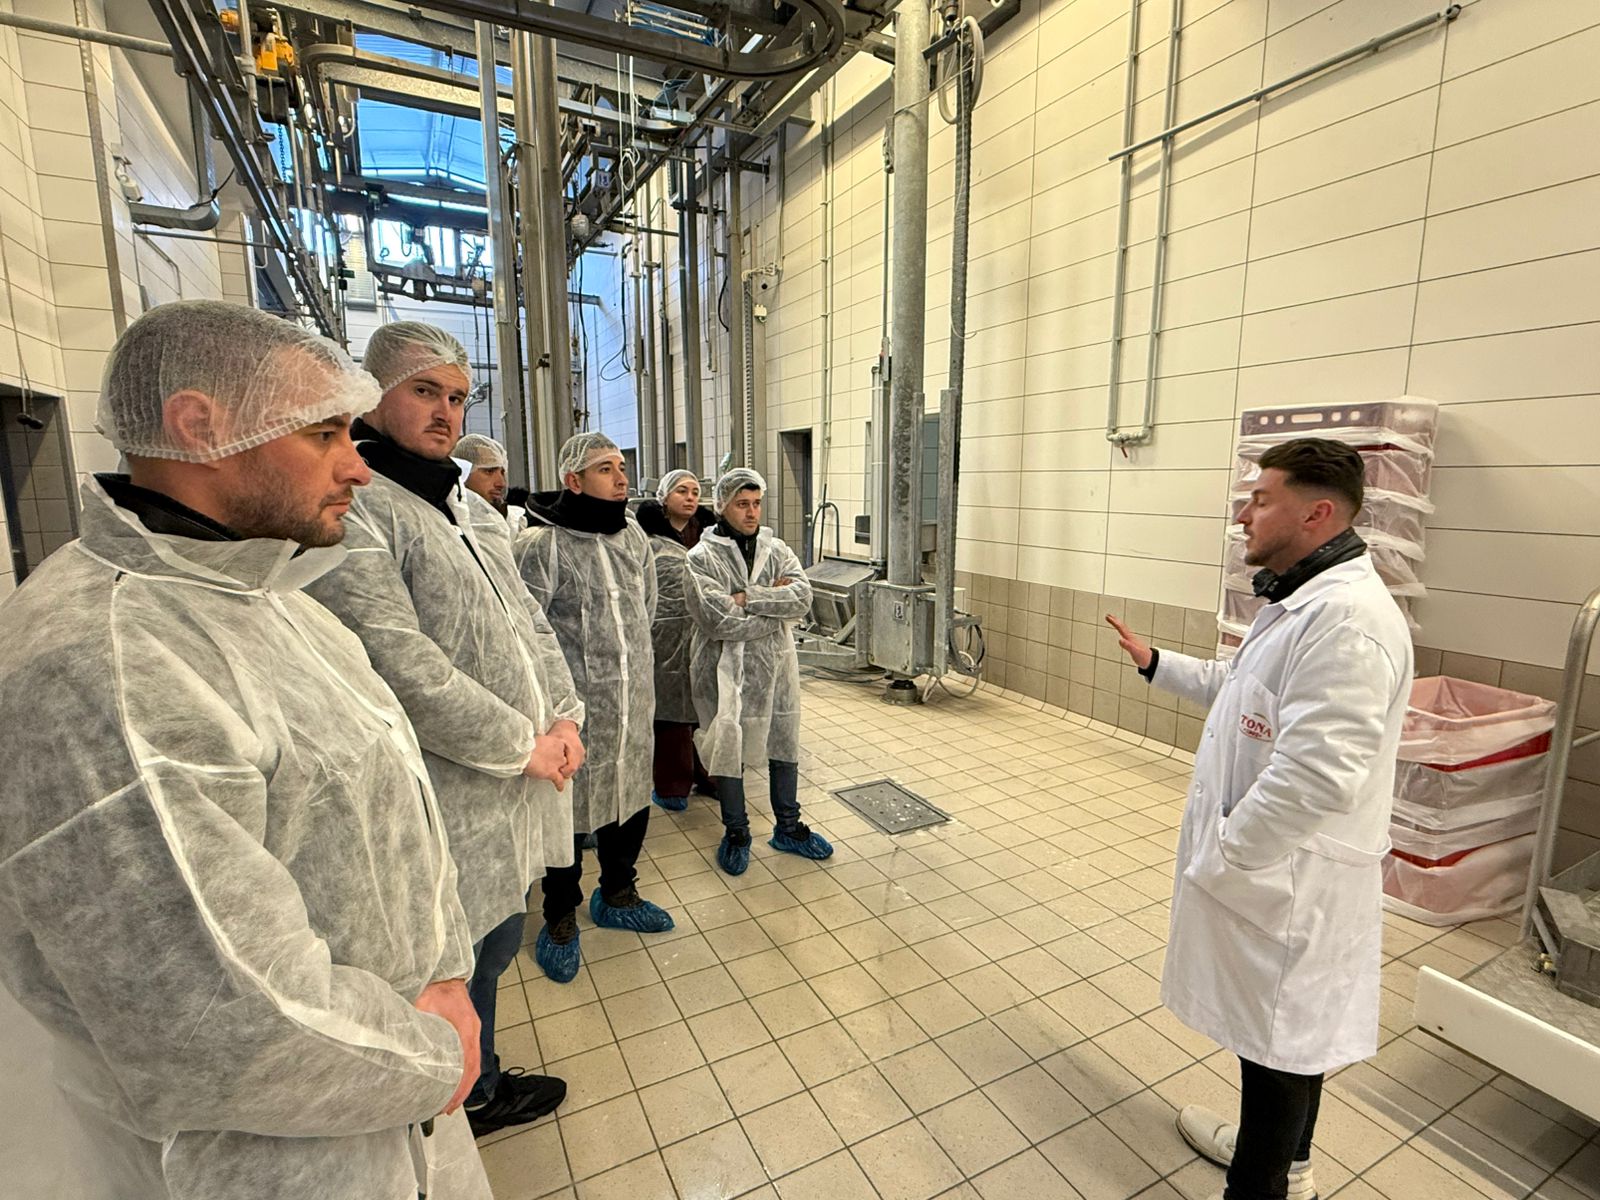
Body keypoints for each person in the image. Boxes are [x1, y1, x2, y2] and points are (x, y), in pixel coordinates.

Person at [0, 301, 490, 1198]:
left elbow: (399, 823)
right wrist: (435, 1051)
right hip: (276, 1158)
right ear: (200, 425)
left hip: (393, 1090)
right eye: (324, 433)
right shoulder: (107, 663)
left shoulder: (270, 598)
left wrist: (446, 974)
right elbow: (222, 1019)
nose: (358, 465)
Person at [1106, 438, 1413, 1200]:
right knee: (1281, 1041)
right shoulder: (1300, 600)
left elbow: (1316, 776)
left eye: (1261, 499)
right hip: (1276, 876)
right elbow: (1240, 689)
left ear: (1316, 513)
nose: (1244, 515)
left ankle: (1264, 1182)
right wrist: (1156, 663)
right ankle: (1288, 1164)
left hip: (1290, 881)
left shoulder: (1347, 623)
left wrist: (1229, 852)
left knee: (1280, 1049)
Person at [307, 321, 585, 1139]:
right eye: (425, 391)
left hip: (511, 784)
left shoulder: (459, 505)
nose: (446, 412)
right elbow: (400, 662)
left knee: (493, 946)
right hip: (447, 792)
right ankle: (457, 1100)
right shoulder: (364, 509)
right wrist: (522, 744)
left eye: (458, 397)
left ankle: (477, 1082)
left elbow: (527, 621)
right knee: (448, 962)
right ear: (374, 395)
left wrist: (564, 712)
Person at [516, 433, 674, 983]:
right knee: (567, 809)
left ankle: (618, 893)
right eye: (606, 468)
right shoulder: (542, 545)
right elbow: (527, 632)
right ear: (574, 480)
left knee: (630, 794)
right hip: (573, 710)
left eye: (622, 466)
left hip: (633, 700)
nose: (621, 477)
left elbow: (646, 607)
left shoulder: (633, 536)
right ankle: (560, 915)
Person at [687, 468, 833, 875]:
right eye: (742, 504)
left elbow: (802, 597)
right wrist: (773, 606)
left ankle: (788, 827)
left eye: (756, 503)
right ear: (722, 506)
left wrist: (746, 597)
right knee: (729, 746)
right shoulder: (701, 558)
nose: (752, 513)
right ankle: (737, 832)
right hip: (724, 670)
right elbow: (717, 619)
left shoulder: (777, 549)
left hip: (777, 667)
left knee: (783, 742)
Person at [636, 468, 718, 811]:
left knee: (708, 706)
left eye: (695, 492)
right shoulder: (646, 539)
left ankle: (710, 774)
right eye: (682, 491)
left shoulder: (712, 536)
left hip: (707, 632)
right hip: (664, 638)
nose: (690, 498)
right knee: (670, 710)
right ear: (664, 498)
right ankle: (672, 785)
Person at [455, 432, 509, 514]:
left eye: (502, 473)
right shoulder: (443, 519)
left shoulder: (517, 518)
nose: (501, 483)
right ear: (464, 473)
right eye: (489, 471)